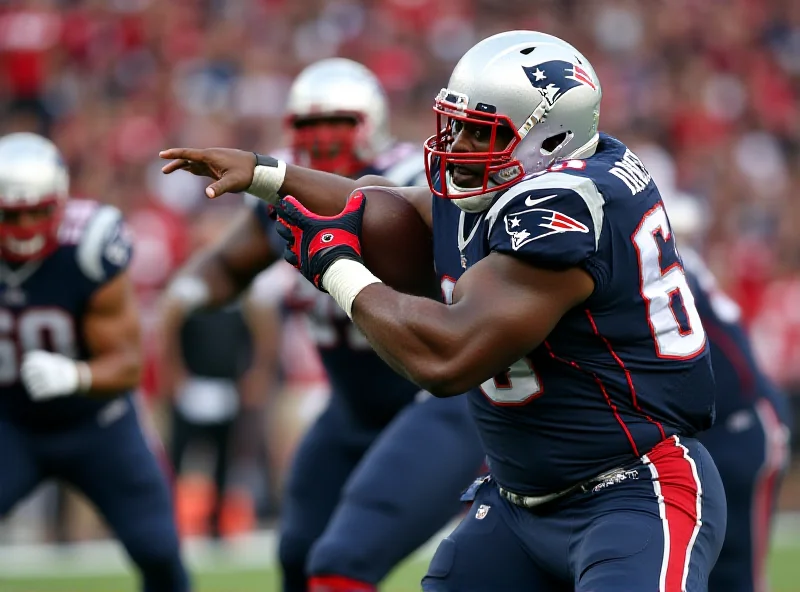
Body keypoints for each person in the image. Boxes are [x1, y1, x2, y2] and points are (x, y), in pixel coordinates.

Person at [161, 31, 729, 591]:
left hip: (630, 492)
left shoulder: (566, 206)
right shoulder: (508, 184)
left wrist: (336, 267)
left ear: (551, 140)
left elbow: (447, 358)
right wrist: (268, 175)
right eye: (454, 123)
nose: (455, 143)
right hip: (517, 506)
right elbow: (387, 206)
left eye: (480, 132)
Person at [159, 58, 485, 592]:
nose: (324, 142)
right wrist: (183, 296)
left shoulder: (410, 185)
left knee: (342, 563)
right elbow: (225, 267)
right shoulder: (283, 186)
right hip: (350, 408)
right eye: (311, 129)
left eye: (337, 126)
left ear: (370, 125)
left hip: (432, 400)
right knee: (297, 555)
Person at [0, 132, 189, 592]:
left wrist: (75, 374)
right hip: (9, 423)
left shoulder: (90, 243)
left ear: (61, 203)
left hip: (98, 422)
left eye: (38, 211)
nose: (25, 226)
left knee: (158, 550)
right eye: (11, 214)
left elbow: (127, 364)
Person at [661, 192, 792, 592]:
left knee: (736, 574)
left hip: (743, 428)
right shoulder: (685, 272)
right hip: (712, 434)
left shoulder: (679, 274)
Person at [161, 204, 282, 539]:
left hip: (228, 383)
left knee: (225, 460)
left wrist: (257, 373)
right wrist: (174, 375)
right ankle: (167, 521)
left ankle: (216, 525)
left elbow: (264, 332)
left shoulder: (245, 285)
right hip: (192, 384)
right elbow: (167, 331)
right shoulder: (187, 282)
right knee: (178, 456)